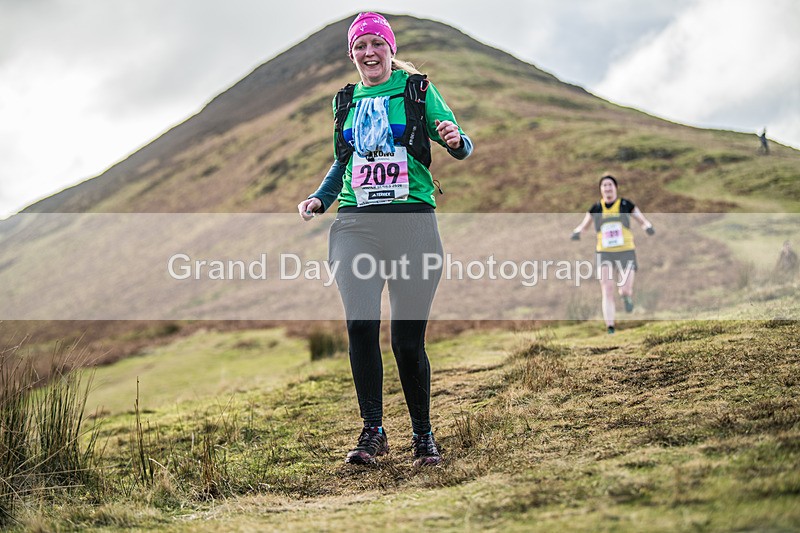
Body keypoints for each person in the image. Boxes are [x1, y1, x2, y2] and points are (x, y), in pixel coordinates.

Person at [297, 12, 473, 466]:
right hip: (356, 223)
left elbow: (456, 139)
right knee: (360, 326)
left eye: (377, 43)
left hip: (413, 222)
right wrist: (320, 198)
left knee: (406, 341)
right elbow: (343, 161)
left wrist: (455, 141)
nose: (369, 53)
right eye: (361, 46)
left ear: (391, 50)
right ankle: (372, 432)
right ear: (351, 53)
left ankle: (422, 436)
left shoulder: (416, 90)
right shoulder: (345, 101)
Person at [571, 174, 654, 334]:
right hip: (604, 253)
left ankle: (626, 297)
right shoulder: (596, 209)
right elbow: (584, 226)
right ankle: (610, 326)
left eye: (610, 185)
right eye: (604, 185)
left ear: (615, 188)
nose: (607, 188)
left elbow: (642, 220)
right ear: (601, 189)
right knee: (607, 289)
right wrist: (576, 233)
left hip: (626, 251)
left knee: (623, 289)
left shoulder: (625, 204)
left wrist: (648, 227)